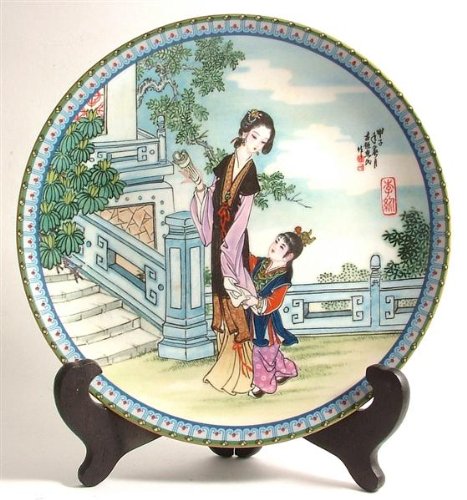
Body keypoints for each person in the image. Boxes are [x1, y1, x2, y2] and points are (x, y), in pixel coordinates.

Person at [179, 109, 275, 395]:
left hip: (233, 244)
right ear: (244, 132)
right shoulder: (226, 162)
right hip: (219, 235)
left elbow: (242, 217)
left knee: (236, 301)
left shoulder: (250, 173)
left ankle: (244, 376)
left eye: (263, 141)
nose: (257, 145)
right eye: (255, 137)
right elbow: (212, 196)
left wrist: (227, 248)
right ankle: (224, 370)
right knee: (223, 298)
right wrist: (199, 189)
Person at [245, 227, 315, 398]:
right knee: (268, 351)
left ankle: (263, 385)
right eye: (276, 241)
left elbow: (274, 302)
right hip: (253, 314)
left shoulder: (283, 278)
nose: (275, 246)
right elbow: (245, 258)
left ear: (289, 256)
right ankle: (285, 370)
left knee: (263, 351)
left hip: (267, 320)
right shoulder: (261, 263)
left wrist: (255, 302)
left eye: (281, 246)